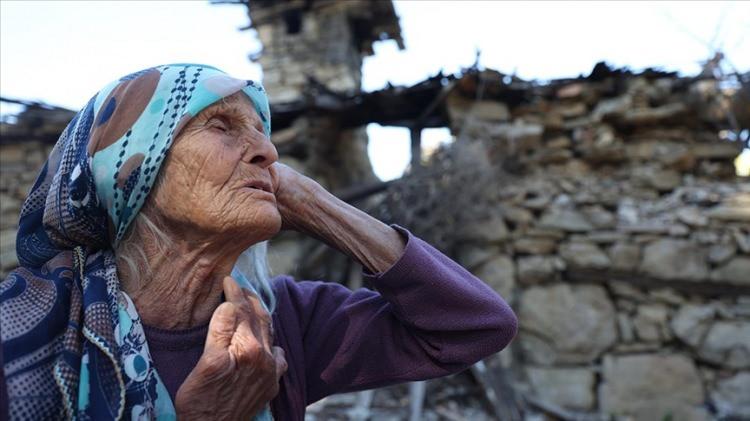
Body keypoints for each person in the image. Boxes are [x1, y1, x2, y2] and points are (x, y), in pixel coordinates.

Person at [0, 64, 518, 420]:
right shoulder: (23, 329)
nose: (267, 151)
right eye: (222, 126)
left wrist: (320, 205)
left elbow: (477, 326)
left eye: (263, 132)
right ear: (130, 168)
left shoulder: (281, 321)